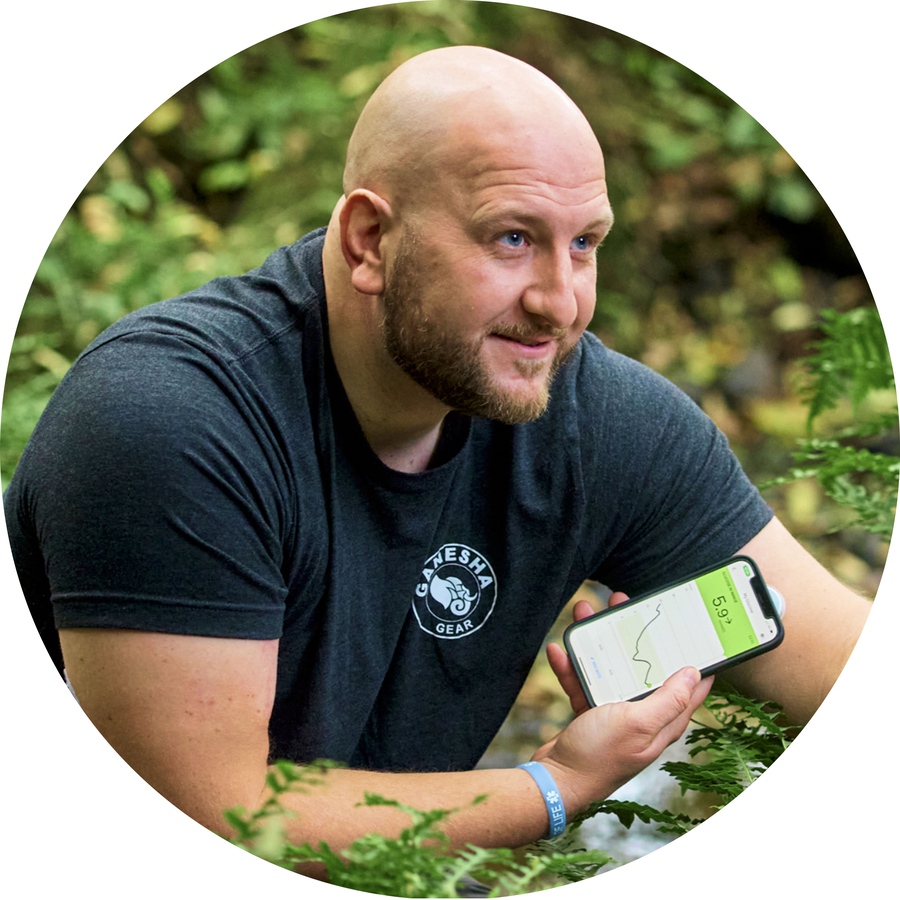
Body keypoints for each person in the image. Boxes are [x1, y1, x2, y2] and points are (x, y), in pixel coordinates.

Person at [4, 45, 870, 859]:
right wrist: (558, 786)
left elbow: (849, 670)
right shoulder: (169, 420)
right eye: (512, 238)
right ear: (370, 242)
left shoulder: (604, 421)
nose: (560, 304)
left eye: (585, 243)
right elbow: (213, 823)